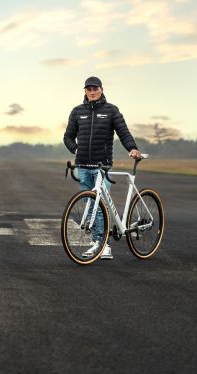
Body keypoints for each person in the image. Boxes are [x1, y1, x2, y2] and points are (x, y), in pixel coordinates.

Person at [63, 76, 140, 260]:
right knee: (89, 205)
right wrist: (75, 148)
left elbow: (123, 132)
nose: (92, 92)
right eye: (88, 89)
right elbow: (67, 137)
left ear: (101, 89)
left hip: (102, 166)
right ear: (85, 91)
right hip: (82, 165)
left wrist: (132, 148)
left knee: (99, 206)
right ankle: (99, 241)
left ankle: (103, 244)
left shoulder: (111, 111)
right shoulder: (77, 112)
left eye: (95, 89)